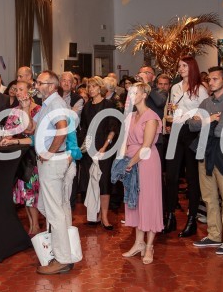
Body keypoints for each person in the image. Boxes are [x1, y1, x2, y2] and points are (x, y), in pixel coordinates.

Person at [188, 67, 223, 253]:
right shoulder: (205, 102)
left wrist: (204, 120)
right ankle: (214, 234)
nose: (211, 82)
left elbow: (221, 131)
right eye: (209, 79)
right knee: (209, 196)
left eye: (215, 79)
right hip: (205, 150)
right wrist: (209, 119)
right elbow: (191, 125)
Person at [34, 71, 80, 275]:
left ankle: (62, 259)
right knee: (53, 207)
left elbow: (62, 128)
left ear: (51, 86)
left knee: (54, 210)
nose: (36, 85)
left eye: (39, 82)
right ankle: (63, 250)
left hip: (53, 162)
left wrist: (50, 152)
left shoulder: (55, 103)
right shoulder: (47, 104)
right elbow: (31, 128)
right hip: (53, 161)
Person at [165, 56, 209, 235]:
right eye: (179, 66)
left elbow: (205, 114)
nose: (181, 68)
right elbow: (171, 109)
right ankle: (170, 216)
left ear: (192, 67)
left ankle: (192, 220)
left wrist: (193, 117)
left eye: (184, 66)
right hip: (175, 130)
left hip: (192, 133)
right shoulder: (175, 87)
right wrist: (169, 116)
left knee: (192, 178)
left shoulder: (201, 89)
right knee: (171, 175)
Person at [120, 82, 163, 264]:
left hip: (146, 162)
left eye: (134, 92)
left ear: (144, 95)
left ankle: (149, 246)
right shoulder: (130, 116)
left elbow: (146, 146)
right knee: (135, 201)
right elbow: (124, 141)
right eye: (130, 92)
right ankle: (138, 243)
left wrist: (130, 163)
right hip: (131, 159)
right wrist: (122, 161)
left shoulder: (151, 117)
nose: (131, 95)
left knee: (149, 202)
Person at [1, 81, 42, 235]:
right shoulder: (14, 111)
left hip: (33, 158)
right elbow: (7, 132)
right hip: (19, 158)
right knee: (25, 194)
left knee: (32, 193)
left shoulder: (38, 109)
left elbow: (32, 132)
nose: (18, 92)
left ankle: (36, 226)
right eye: (16, 90)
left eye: (21, 89)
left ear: (30, 92)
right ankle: (32, 225)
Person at [78, 77, 119, 230]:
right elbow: (84, 128)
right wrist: (81, 146)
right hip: (89, 149)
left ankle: (105, 217)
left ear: (100, 88)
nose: (91, 89)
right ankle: (93, 214)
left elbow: (113, 128)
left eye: (94, 86)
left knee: (104, 183)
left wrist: (104, 147)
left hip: (105, 149)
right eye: (89, 86)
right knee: (91, 182)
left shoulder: (108, 105)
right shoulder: (87, 106)